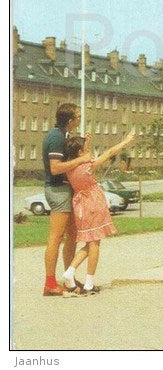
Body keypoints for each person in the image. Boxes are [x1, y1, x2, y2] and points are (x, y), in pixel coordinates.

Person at [61, 132, 135, 296]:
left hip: (80, 204)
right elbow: (109, 153)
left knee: (89, 242)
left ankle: (71, 270)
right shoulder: (87, 166)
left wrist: (86, 143)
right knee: (95, 243)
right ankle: (88, 282)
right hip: (93, 202)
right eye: (85, 150)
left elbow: (83, 155)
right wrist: (125, 141)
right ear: (80, 153)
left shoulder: (70, 168)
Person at [42, 103, 92, 296]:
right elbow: (55, 168)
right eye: (78, 117)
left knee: (72, 235)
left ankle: (68, 279)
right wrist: (80, 160)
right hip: (58, 190)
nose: (79, 120)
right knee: (56, 237)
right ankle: (49, 283)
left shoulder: (63, 136)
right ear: (70, 120)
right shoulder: (55, 138)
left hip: (65, 190)